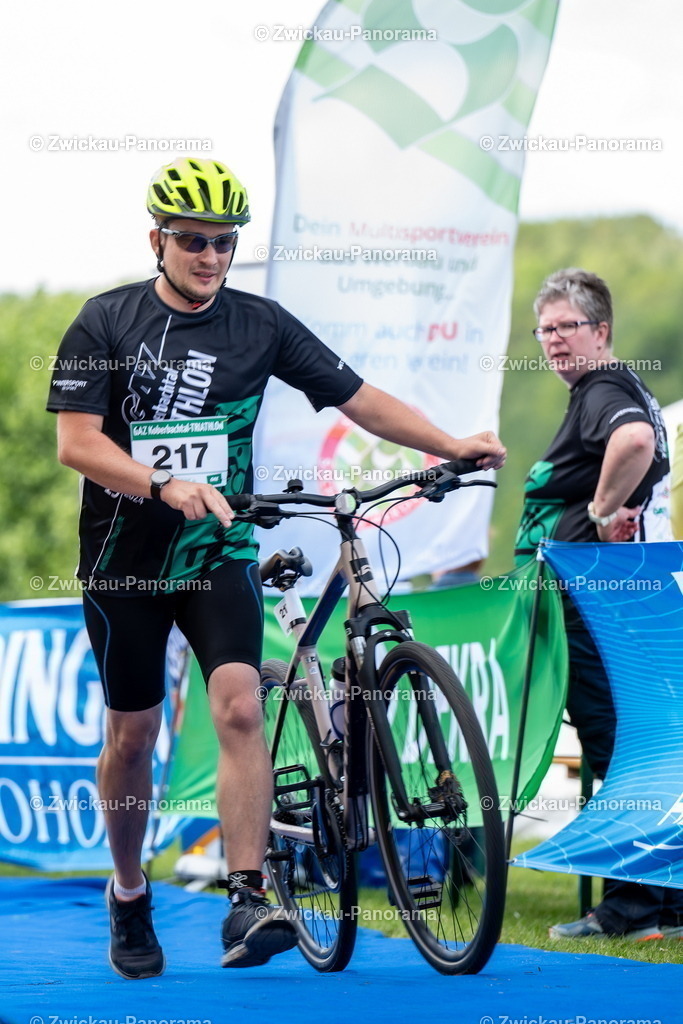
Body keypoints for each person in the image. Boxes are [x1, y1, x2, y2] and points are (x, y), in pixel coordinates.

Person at [47, 157, 506, 979]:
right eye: (193, 241)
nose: (211, 257)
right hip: (127, 564)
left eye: (224, 243)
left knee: (239, 708)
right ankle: (126, 891)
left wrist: (450, 443)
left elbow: (357, 395)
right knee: (132, 737)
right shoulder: (103, 321)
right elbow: (77, 443)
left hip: (219, 548)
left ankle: (248, 894)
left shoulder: (259, 323)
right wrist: (160, 482)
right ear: (157, 239)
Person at [515, 267, 683, 941]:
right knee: (639, 744)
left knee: (613, 744)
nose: (553, 341)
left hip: (598, 601)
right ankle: (662, 905)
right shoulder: (615, 388)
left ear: (601, 331)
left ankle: (630, 909)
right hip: (622, 596)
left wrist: (598, 508)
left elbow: (635, 441)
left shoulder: (602, 387)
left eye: (567, 327)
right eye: (544, 329)